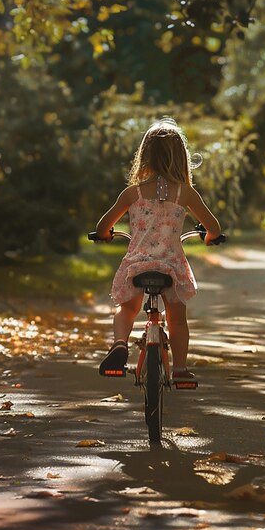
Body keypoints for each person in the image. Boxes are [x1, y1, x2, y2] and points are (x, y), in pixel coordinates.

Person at [94, 117, 221, 384]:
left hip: (138, 265)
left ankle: (119, 343)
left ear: (145, 156)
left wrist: (105, 235)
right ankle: (180, 369)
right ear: (181, 158)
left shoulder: (133, 194)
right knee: (177, 320)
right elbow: (214, 228)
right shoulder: (184, 194)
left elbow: (103, 225)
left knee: (127, 309)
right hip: (172, 268)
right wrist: (210, 237)